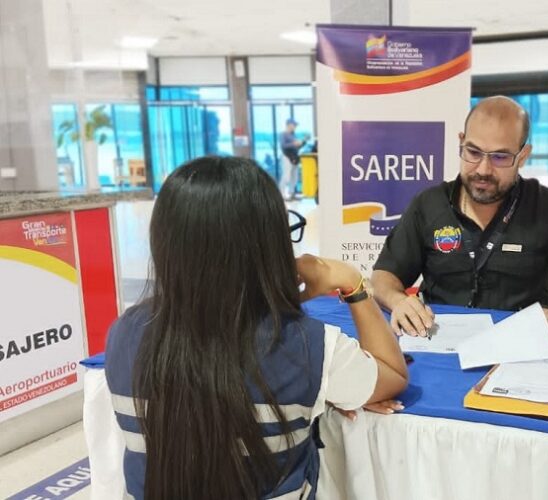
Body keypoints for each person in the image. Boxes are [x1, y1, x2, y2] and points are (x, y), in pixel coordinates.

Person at [105, 156, 408, 499]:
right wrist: (352, 283)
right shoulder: (308, 346)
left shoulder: (123, 334)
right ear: (268, 247)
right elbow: (392, 374)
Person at [372, 96, 548, 338]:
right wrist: (398, 300)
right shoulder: (428, 204)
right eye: (473, 152)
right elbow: (384, 275)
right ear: (461, 142)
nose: (483, 170)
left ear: (523, 155)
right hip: (437, 342)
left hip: (520, 344)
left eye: (500, 157)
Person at [279, 118, 308, 200]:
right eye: (294, 125)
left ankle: (292, 193)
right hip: (286, 156)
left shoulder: (293, 135)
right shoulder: (283, 134)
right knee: (286, 176)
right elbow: (283, 146)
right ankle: (281, 195)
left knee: (294, 177)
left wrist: (303, 142)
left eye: (295, 125)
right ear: (288, 125)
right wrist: (294, 144)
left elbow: (297, 147)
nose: (295, 126)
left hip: (294, 157)